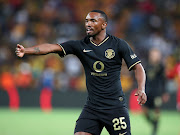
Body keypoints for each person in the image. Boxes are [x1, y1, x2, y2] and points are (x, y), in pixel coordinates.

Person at [16, 10, 147, 135]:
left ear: (104, 25)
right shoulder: (81, 45)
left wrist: (141, 89)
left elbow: (138, 67)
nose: (88, 24)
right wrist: (26, 50)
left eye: (93, 21)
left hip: (114, 107)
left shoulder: (119, 44)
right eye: (86, 21)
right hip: (92, 108)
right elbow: (52, 47)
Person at [142, 48, 169, 135]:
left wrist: (164, 92)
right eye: (153, 55)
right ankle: (153, 123)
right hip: (147, 91)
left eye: (156, 55)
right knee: (144, 111)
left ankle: (155, 127)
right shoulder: (146, 65)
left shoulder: (161, 66)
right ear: (150, 55)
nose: (155, 57)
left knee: (157, 110)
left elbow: (164, 80)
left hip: (157, 92)